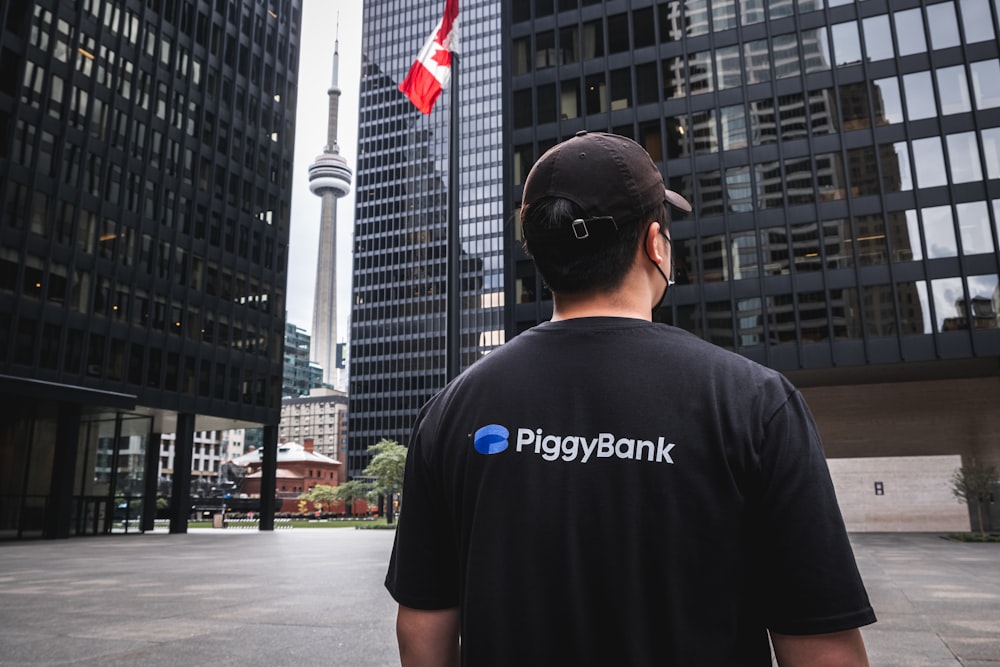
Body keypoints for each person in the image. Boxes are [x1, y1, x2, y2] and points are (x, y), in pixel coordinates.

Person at [385, 131, 876, 666]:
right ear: (654, 243)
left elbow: (422, 628)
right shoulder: (754, 402)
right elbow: (823, 647)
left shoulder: (451, 409)